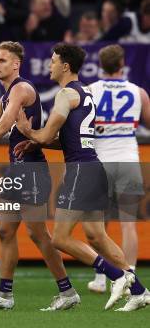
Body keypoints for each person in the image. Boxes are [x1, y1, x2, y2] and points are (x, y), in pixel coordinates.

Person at [15, 43, 149, 312]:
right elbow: (70, 139)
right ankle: (139, 291)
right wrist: (38, 143)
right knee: (96, 236)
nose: (50, 66)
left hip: (79, 171)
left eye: (53, 61)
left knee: (60, 239)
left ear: (65, 65)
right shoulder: (85, 92)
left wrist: (26, 131)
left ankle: (119, 276)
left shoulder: (65, 95)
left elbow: (44, 135)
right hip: (92, 165)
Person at [0, 41, 80, 311]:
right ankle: (4, 295)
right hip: (18, 171)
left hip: (31, 170)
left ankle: (67, 291)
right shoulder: (7, 95)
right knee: (4, 230)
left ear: (16, 64)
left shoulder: (22, 89)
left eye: (2, 60)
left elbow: (2, 126)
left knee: (38, 234)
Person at [86, 44, 150, 293]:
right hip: (128, 158)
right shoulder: (138, 92)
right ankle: (130, 275)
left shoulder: (91, 90)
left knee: (99, 225)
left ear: (101, 65)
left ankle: (103, 279)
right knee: (128, 223)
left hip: (100, 159)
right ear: (122, 64)